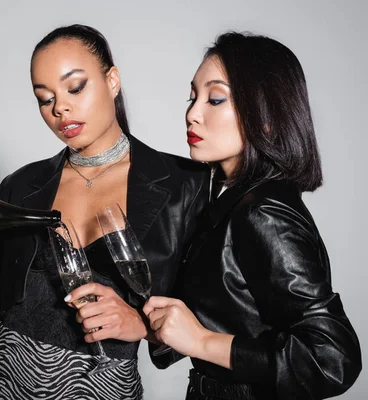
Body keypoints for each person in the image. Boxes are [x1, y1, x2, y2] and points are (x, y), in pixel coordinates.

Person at [0, 24, 209, 399]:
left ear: (112, 80)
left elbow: (210, 316)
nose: (60, 107)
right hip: (3, 380)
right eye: (44, 98)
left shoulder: (184, 183)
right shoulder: (21, 186)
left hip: (102, 387)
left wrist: (142, 324)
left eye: (75, 87)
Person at [143, 31, 362, 400]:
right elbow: (236, 315)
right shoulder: (228, 201)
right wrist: (148, 325)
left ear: (266, 117)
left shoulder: (264, 212)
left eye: (215, 98)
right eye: (192, 96)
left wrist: (202, 341)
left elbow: (332, 358)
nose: (192, 113)